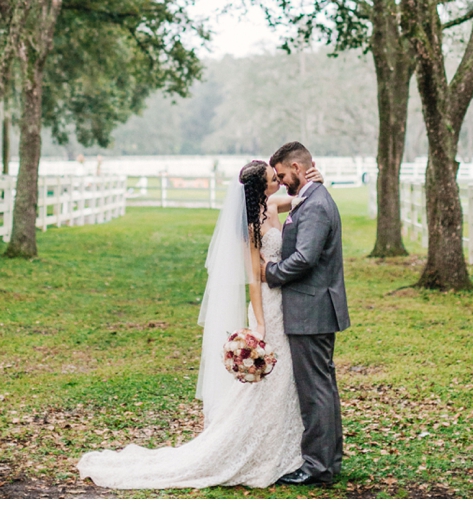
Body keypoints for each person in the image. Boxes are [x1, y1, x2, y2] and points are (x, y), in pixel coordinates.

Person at [75, 158, 323, 489]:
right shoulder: (249, 227)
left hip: (284, 299)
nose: (278, 182)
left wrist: (318, 179)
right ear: (259, 188)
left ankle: (285, 443)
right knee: (270, 378)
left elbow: (305, 197)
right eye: (271, 180)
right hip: (266, 304)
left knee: (284, 378)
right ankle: (255, 447)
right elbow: (253, 278)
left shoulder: (275, 205)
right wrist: (260, 324)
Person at [262, 140, 350, 487]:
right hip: (313, 307)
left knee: (315, 390)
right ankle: (329, 460)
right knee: (322, 387)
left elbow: (304, 257)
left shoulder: (315, 204)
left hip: (311, 307)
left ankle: (317, 466)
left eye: (283, 174)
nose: (282, 182)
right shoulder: (312, 196)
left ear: (297, 168)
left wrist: (271, 273)